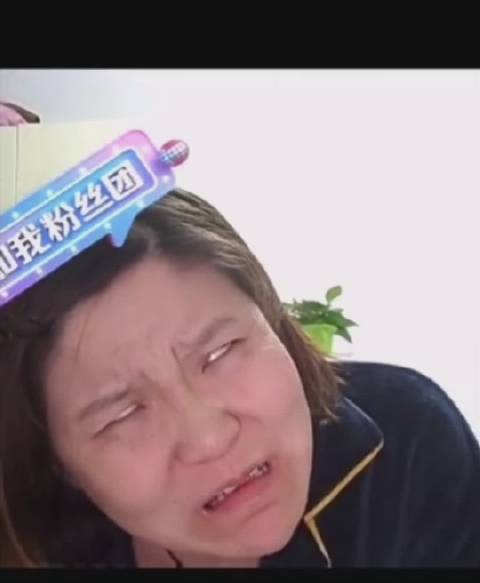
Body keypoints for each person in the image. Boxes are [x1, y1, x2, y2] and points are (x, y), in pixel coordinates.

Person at [0, 188, 479, 568]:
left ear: (271, 320)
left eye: (220, 353)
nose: (208, 438)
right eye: (123, 413)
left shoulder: (408, 440)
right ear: (59, 463)